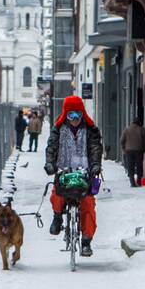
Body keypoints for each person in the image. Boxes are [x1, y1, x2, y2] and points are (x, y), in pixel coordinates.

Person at [44, 95, 103, 257]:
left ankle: (86, 241)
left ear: (83, 113)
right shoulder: (58, 130)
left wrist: (96, 165)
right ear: (66, 115)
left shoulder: (91, 131)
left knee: (88, 204)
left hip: (85, 173)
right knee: (57, 194)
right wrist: (50, 163)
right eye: (71, 115)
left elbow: (95, 148)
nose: (75, 119)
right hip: (64, 171)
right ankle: (57, 217)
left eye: (78, 114)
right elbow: (51, 148)